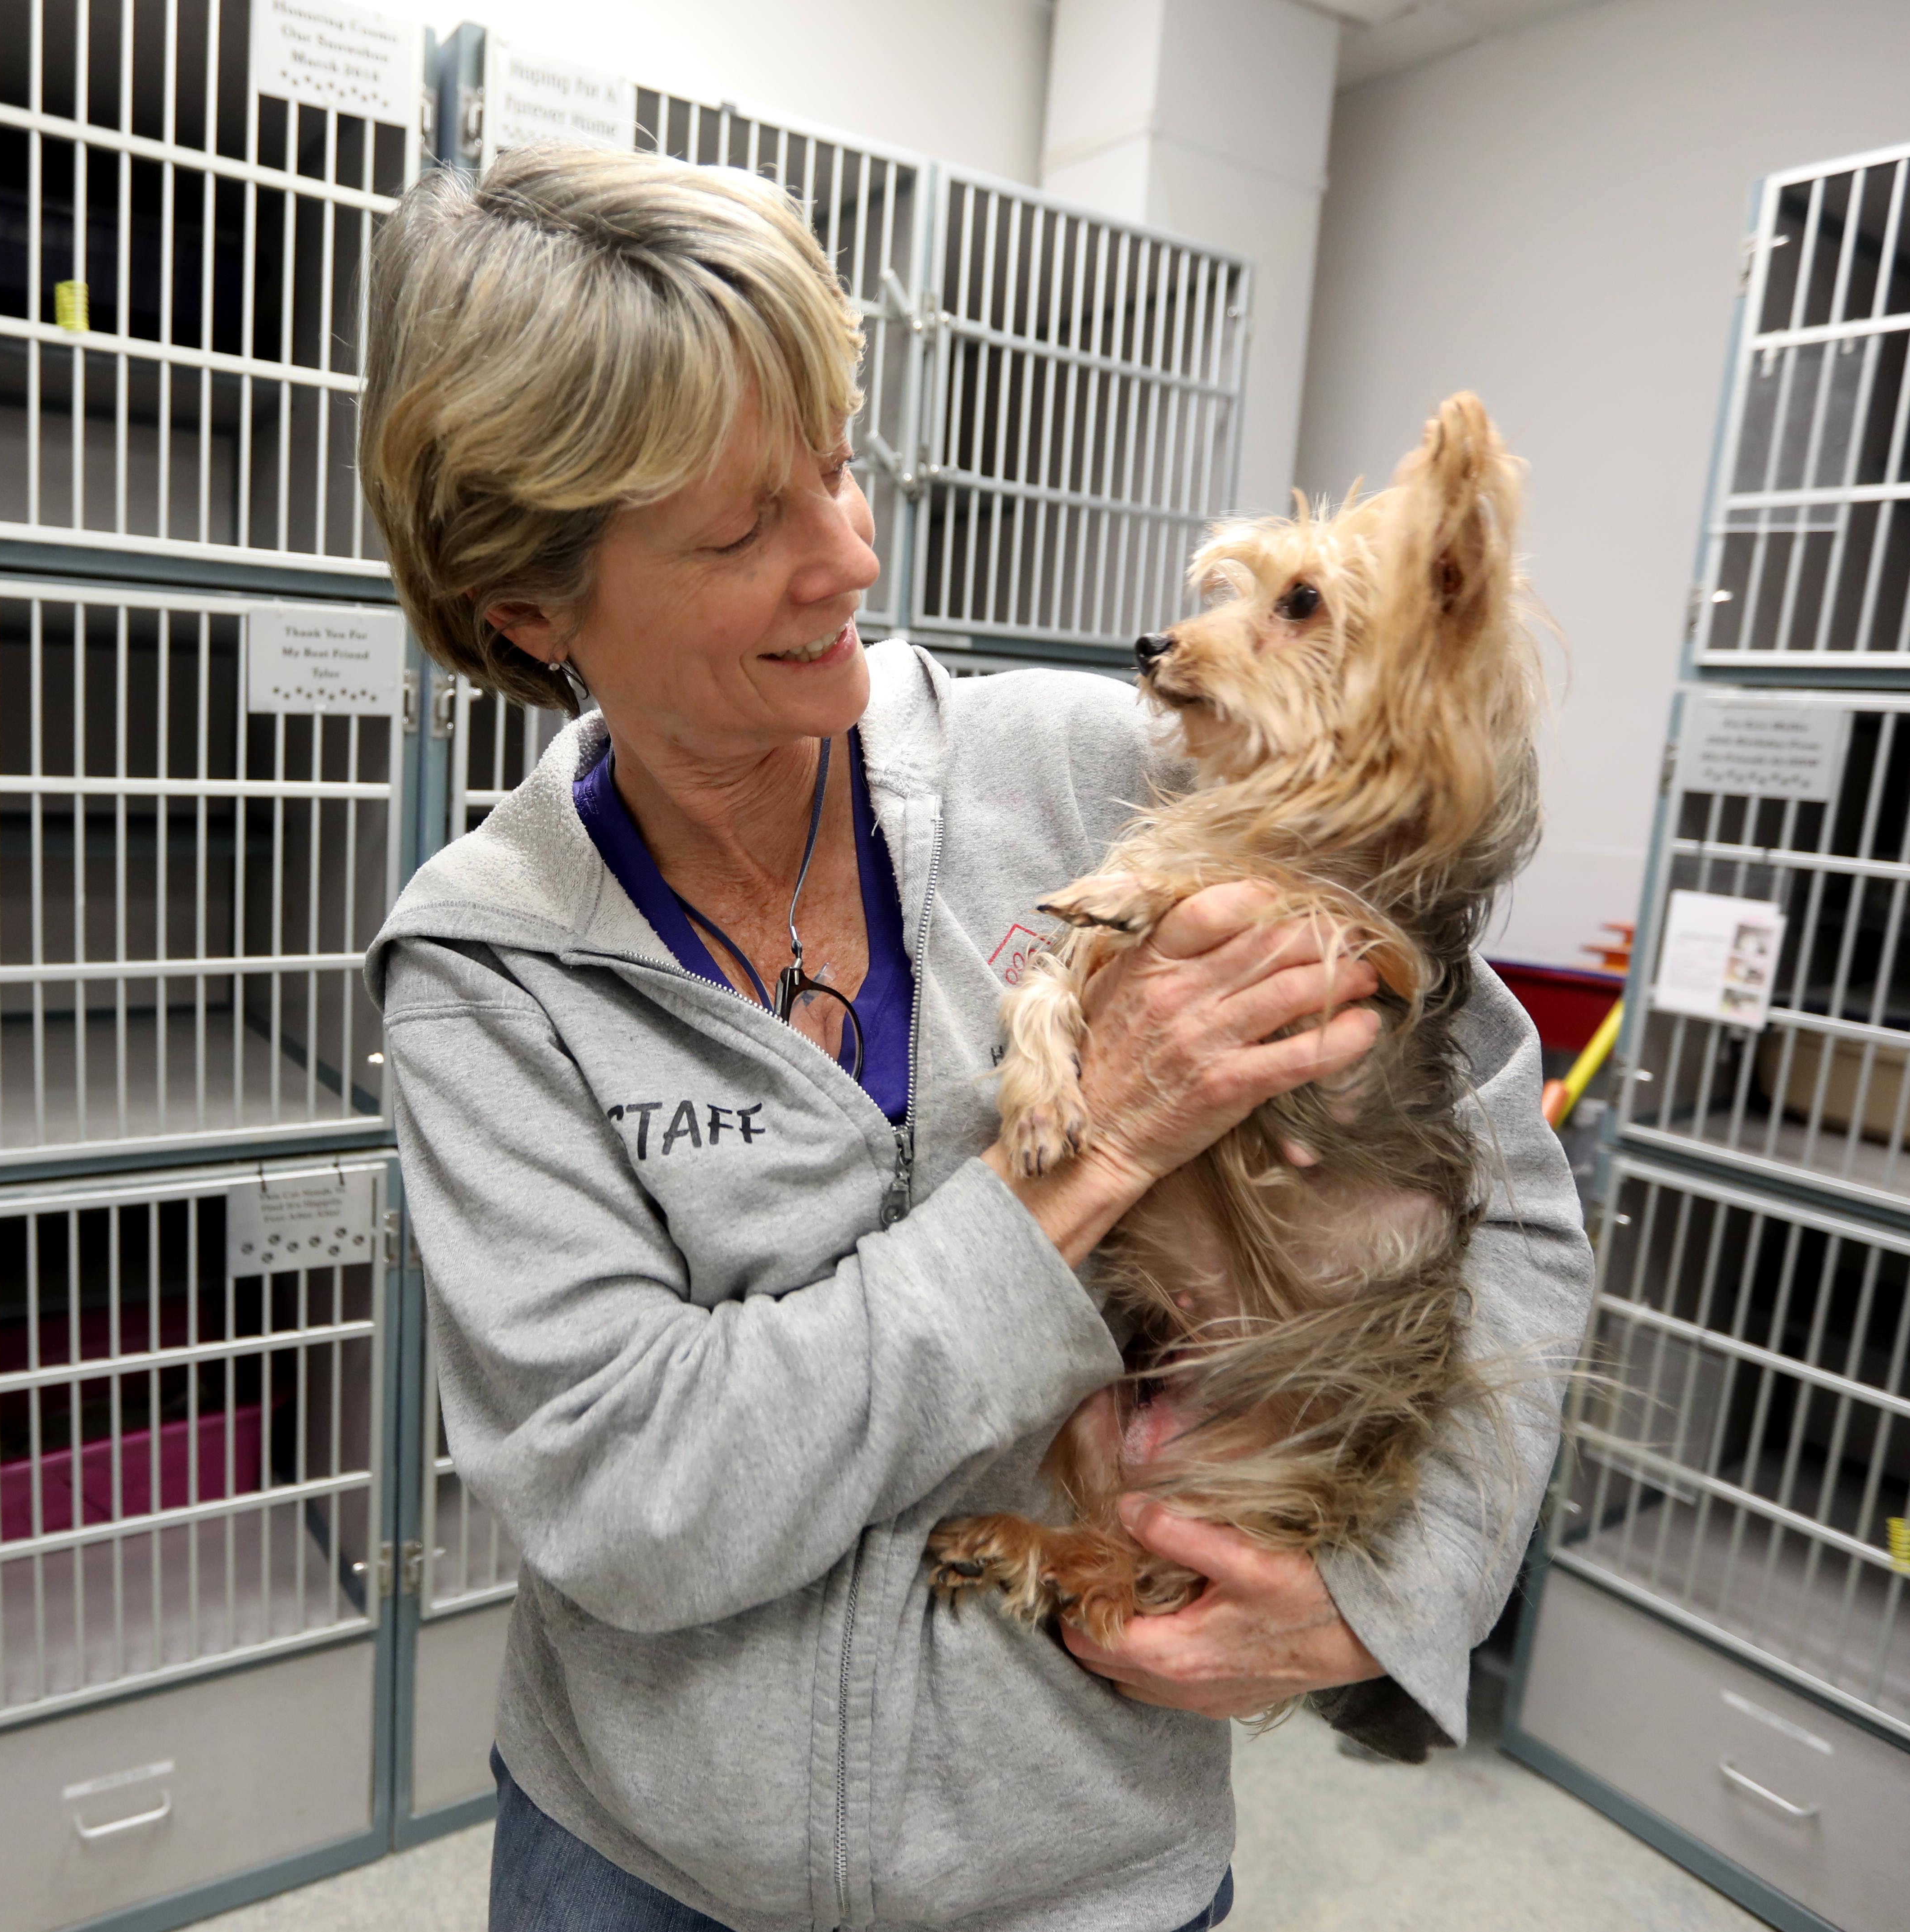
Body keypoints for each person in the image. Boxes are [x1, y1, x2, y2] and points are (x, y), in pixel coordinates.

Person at [357, 145, 1591, 1932]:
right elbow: (632, 1494)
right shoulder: (490, 963)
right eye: (740, 526)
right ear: (534, 613)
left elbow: (1501, 1188)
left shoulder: (1119, 765)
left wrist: (1395, 1585)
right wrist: (1081, 1168)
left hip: (1084, 1867)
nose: (847, 552)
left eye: (840, 465)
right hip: (646, 1864)